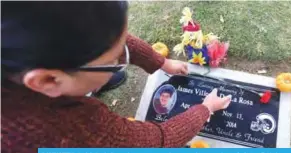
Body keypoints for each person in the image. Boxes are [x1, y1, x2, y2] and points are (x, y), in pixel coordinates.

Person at [1, 1, 232, 151]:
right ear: (49, 80)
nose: (120, 60)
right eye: (112, 63)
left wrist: (160, 61)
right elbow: (157, 141)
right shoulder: (70, 130)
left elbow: (105, 36)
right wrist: (205, 109)